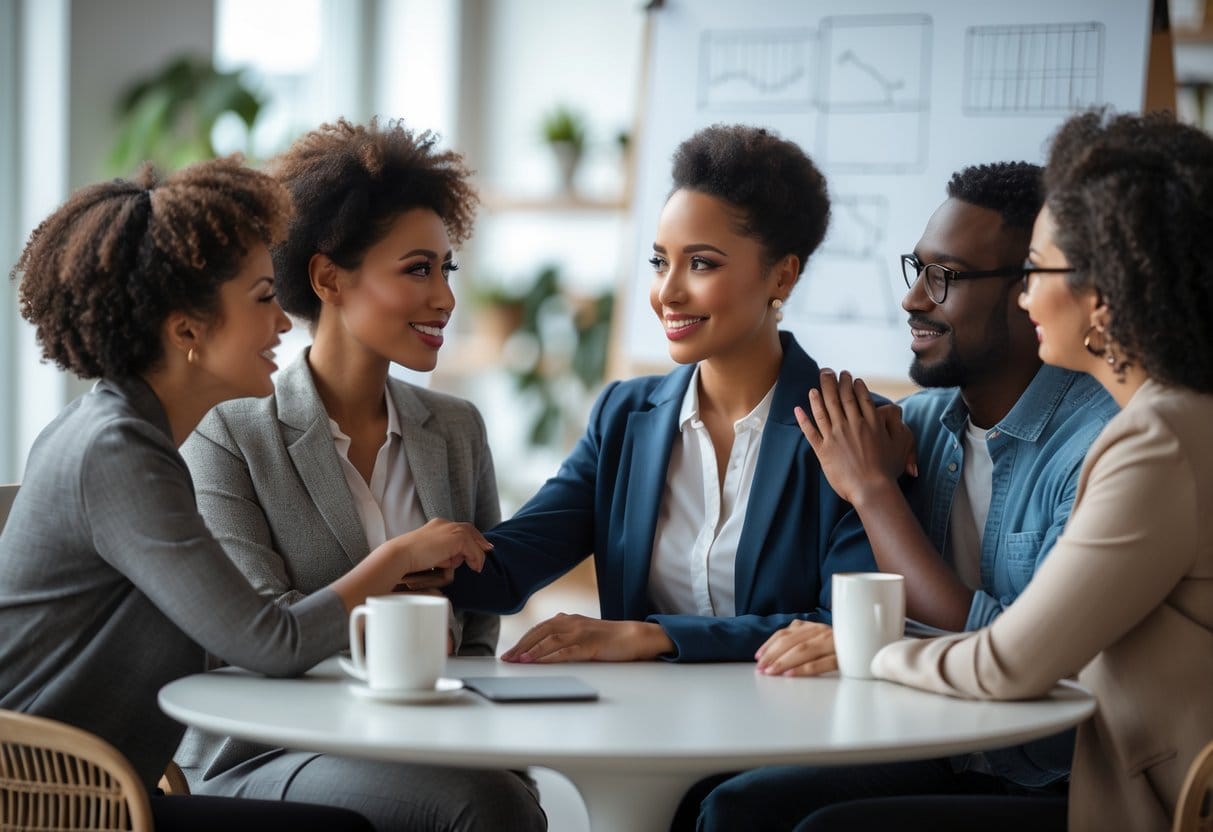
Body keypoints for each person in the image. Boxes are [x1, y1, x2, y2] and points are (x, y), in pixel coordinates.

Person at [0, 158, 489, 831]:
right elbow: (271, 642)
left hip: (90, 787)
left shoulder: (123, 434)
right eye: (263, 298)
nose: (283, 325)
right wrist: (396, 559)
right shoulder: (118, 453)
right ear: (187, 331)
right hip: (47, 802)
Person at [804, 110, 1213, 831]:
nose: (1026, 296)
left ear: (1104, 293)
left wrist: (869, 650)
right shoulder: (1171, 419)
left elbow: (1007, 666)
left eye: (1038, 271)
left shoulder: (1153, 439)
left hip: (1132, 801)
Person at [691, 162, 1119, 830]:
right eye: (914, 269)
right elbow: (816, 603)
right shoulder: (912, 428)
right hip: (937, 746)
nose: (914, 299)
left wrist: (873, 493)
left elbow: (1019, 661)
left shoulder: (1098, 446)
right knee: (731, 804)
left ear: (1027, 291)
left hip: (1056, 778)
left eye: (943, 276)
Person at [174, 120, 545, 832]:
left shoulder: (456, 429)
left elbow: (476, 629)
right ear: (327, 278)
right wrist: (389, 597)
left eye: (447, 270)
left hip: (431, 740)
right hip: (269, 752)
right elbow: (252, 638)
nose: (444, 298)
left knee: (506, 794)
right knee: (488, 806)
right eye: (417, 270)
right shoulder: (229, 435)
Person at [446, 123, 876, 665]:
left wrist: (655, 636)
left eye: (701, 263)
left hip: (789, 734)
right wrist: (413, 552)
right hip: (647, 728)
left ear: (782, 277)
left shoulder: (853, 428)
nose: (668, 292)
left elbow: (846, 628)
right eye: (659, 261)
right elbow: (507, 571)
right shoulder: (623, 416)